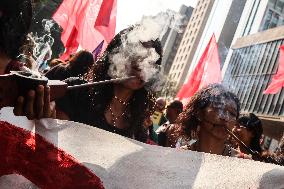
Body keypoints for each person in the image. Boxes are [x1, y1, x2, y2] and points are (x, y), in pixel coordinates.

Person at [55, 26, 163, 142]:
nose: (139, 65)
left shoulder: (139, 123)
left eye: (149, 61)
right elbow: (53, 147)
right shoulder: (76, 92)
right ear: (114, 53)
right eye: (134, 53)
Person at [176, 84, 250, 158]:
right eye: (218, 108)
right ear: (199, 113)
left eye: (232, 113)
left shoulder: (243, 161)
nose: (225, 118)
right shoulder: (178, 156)